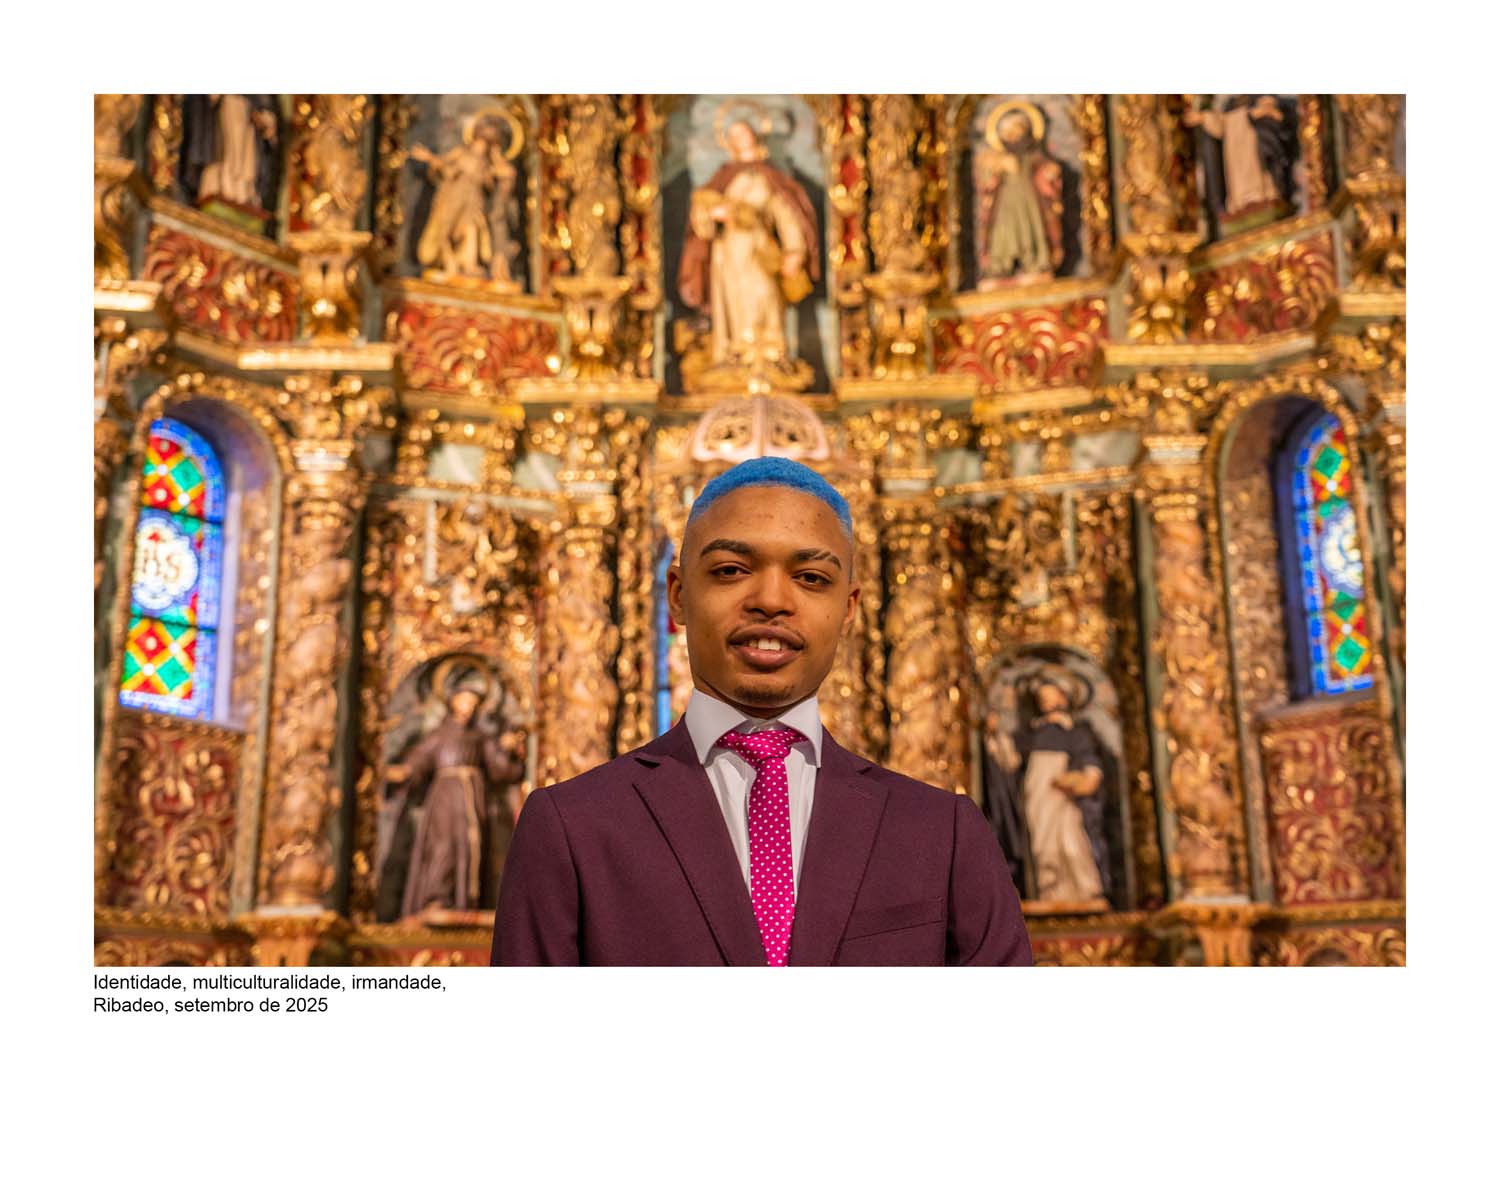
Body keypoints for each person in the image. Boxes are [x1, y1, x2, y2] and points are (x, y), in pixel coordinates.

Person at [493, 456, 1031, 966]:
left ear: (848, 609)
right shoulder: (571, 827)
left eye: (811, 577)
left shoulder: (943, 833)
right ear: (677, 595)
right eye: (731, 570)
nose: (771, 600)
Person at [676, 121, 820, 369]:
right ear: (729, 143)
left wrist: (794, 251)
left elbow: (785, 214)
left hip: (759, 247)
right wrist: (711, 214)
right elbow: (702, 220)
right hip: (728, 250)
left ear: (754, 135)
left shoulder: (769, 176)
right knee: (734, 298)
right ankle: (737, 353)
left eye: (743, 132)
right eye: (734, 134)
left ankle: (770, 353)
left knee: (764, 294)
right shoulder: (722, 177)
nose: (740, 138)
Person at [383, 678, 525, 919]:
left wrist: (509, 751)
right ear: (453, 702)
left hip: (473, 799)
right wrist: (403, 772)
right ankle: (437, 898)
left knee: (471, 846)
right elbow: (419, 760)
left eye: (473, 702)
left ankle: (467, 902)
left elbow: (499, 769)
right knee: (443, 846)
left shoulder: (479, 738)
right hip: (445, 799)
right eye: (464, 700)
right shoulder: (439, 735)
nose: (469, 707)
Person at [987, 667, 1110, 906]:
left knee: (1072, 843)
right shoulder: (1032, 734)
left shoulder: (1075, 733)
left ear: (1064, 696)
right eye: (1040, 696)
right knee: (1043, 848)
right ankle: (1049, 893)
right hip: (1037, 796)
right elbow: (1010, 761)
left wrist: (1085, 779)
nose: (1043, 699)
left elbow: (1090, 763)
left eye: (1048, 694)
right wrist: (995, 734)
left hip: (1063, 797)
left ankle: (1086, 891)